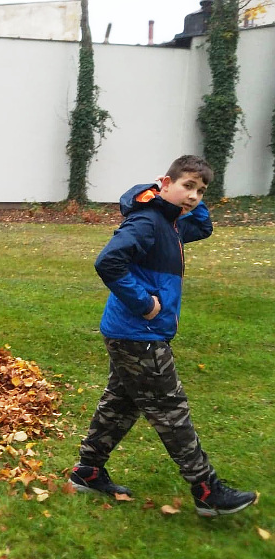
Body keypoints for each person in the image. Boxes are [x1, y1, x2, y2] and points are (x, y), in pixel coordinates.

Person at [70, 155, 257, 517]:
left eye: (201, 191)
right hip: (139, 333)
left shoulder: (171, 223)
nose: (194, 196)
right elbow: (108, 261)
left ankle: (87, 472)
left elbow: (203, 228)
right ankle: (206, 490)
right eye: (188, 186)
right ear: (166, 183)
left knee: (121, 404)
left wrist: (187, 204)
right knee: (171, 410)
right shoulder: (147, 221)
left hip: (135, 332)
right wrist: (144, 304)